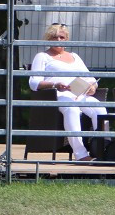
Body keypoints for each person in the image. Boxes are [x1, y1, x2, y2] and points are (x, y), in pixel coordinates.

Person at [28, 23, 106, 161]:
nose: (58, 40)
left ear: (67, 39)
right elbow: (33, 83)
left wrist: (92, 86)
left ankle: (103, 149)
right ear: (48, 39)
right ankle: (81, 155)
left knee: (100, 109)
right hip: (57, 95)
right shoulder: (42, 56)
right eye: (54, 37)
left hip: (79, 93)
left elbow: (91, 79)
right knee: (72, 109)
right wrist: (55, 84)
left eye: (61, 37)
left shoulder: (74, 56)